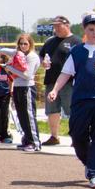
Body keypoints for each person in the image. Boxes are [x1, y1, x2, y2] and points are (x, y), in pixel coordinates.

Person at [47, 13, 95, 189]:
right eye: (91, 29)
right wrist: (55, 90)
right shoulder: (77, 51)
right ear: (85, 30)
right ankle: (90, 162)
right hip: (81, 100)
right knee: (77, 135)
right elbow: (66, 73)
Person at [38, 16, 75, 145]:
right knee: (52, 110)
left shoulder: (76, 41)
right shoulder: (50, 41)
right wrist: (43, 61)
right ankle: (54, 136)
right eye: (55, 26)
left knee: (71, 109)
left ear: (67, 25)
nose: (56, 28)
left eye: (59, 25)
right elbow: (41, 54)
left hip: (69, 81)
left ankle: (75, 136)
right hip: (51, 79)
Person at [10, 34, 42, 151]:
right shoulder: (19, 55)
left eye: (25, 44)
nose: (23, 46)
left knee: (29, 115)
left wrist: (10, 68)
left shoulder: (32, 56)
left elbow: (27, 75)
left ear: (30, 44)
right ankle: (27, 139)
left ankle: (35, 142)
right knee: (21, 115)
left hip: (27, 87)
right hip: (18, 86)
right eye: (20, 44)